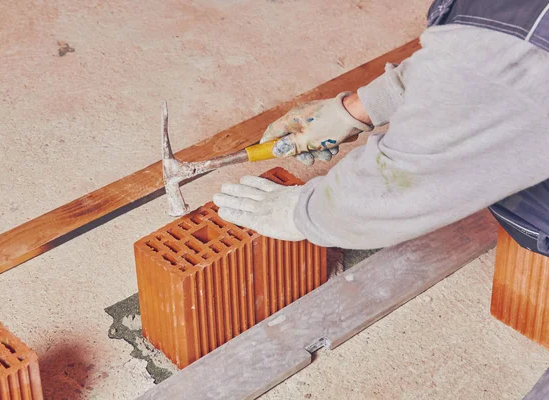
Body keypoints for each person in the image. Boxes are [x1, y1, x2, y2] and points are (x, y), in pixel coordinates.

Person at [213, 0, 549, 252]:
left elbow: (409, 179)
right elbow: (473, 57)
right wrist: (362, 108)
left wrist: (304, 213)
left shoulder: (507, 47)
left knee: (506, 184)